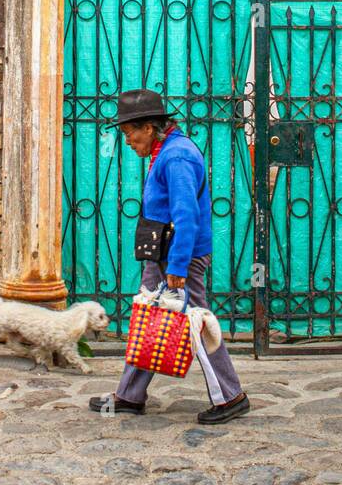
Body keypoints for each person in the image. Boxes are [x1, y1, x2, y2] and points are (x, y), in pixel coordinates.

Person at [89, 88, 250, 425]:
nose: (128, 140)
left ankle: (230, 396)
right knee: (149, 318)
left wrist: (176, 265)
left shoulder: (176, 157)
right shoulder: (166, 151)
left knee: (197, 325)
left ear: (149, 127)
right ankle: (130, 395)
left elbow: (187, 215)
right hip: (162, 254)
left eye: (129, 132)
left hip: (179, 259)